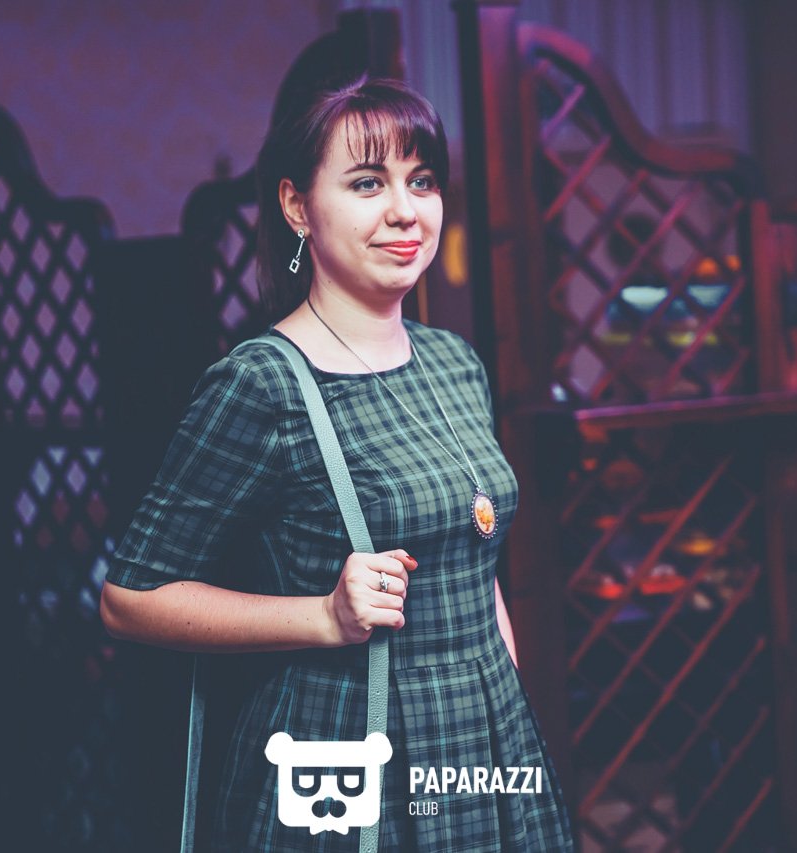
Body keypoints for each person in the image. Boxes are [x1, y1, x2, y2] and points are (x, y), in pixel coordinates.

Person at [99, 76, 575, 852]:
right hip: (345, 752)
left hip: (486, 742)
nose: (405, 210)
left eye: (422, 180)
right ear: (297, 206)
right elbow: (130, 599)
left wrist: (505, 713)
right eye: (367, 183)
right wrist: (322, 615)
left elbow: (475, 566)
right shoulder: (263, 382)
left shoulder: (454, 362)